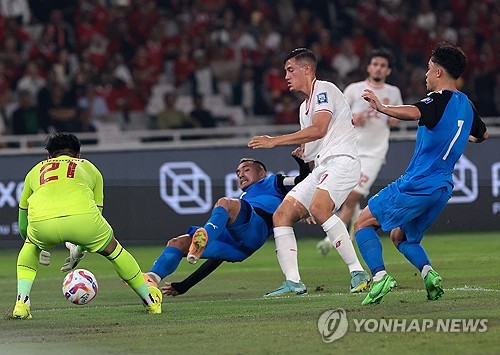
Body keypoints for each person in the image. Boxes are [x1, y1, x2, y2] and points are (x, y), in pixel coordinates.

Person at [353, 42, 488, 305]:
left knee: (362, 223)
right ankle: (429, 274)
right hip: (442, 189)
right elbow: (482, 135)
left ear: (438, 72)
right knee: (400, 236)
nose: (425, 75)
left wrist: (382, 108)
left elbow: (415, 112)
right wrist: (464, 137)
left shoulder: (439, 98)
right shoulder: (466, 104)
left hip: (419, 183)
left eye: (428, 69)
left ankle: (380, 277)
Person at [248, 48, 369, 296]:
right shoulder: (304, 109)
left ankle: (358, 272)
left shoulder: (324, 89)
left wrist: (274, 141)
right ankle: (293, 282)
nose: (286, 77)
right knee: (282, 214)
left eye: (290, 70)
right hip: (323, 168)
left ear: (307, 69)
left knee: (320, 208)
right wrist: (310, 195)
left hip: (343, 161)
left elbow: (320, 129)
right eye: (285, 72)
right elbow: (313, 155)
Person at [13, 132, 162, 319]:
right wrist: (80, 250)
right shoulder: (90, 168)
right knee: (114, 250)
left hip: (43, 225)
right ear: (78, 156)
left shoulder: (34, 171)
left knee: (28, 247)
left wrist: (33, 242)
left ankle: (22, 303)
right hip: (83, 221)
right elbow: (97, 215)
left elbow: (22, 219)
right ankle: (150, 301)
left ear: (49, 157)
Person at [144, 154, 310, 296]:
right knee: (177, 243)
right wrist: (185, 285)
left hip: (255, 228)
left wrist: (300, 160)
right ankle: (152, 280)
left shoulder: (274, 182)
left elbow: (303, 179)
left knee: (225, 203)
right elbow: (217, 259)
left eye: (246, 169)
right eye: (238, 172)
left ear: (262, 172)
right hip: (235, 247)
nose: (241, 174)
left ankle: (204, 240)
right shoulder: (244, 198)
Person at [316, 48, 403, 255]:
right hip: (351, 150)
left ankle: (331, 240)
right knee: (347, 195)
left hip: (374, 153)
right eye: (375, 64)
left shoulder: (393, 92)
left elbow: (397, 118)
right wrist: (354, 118)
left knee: (352, 196)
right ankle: (354, 219)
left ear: (388, 71)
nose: (378, 68)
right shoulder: (354, 90)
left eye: (383, 66)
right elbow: (338, 116)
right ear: (368, 67)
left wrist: (394, 119)